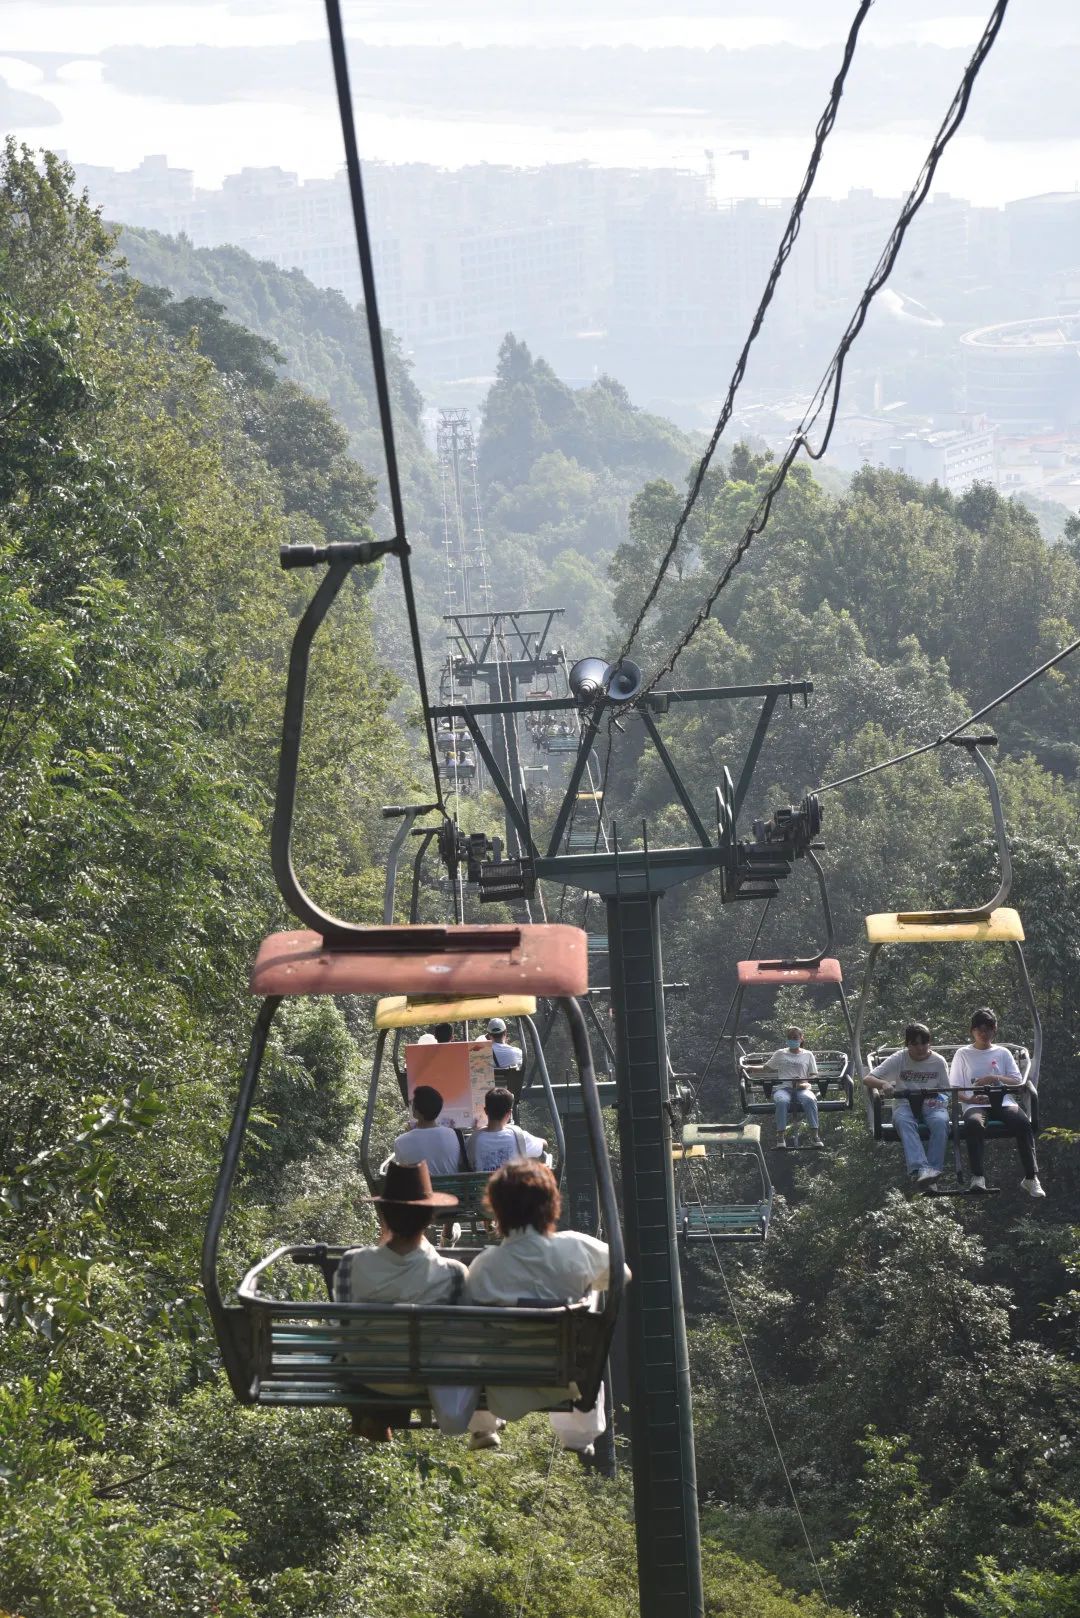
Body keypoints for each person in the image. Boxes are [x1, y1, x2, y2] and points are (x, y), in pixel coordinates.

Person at [464, 1158, 629, 1453]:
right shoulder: (577, 1247)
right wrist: (589, 1286)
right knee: (589, 1300)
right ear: (551, 1204)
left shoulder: (485, 1267)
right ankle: (578, 1435)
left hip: (505, 1388)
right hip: (565, 1380)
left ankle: (483, 1424)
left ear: (497, 1211)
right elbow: (623, 1275)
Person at [334, 1160, 466, 1443]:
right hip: (424, 1378)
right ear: (430, 1218)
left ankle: (377, 1416)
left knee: (362, 1350)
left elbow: (343, 1325)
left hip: (368, 1375)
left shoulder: (352, 1263)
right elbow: (456, 1336)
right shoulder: (453, 1274)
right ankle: (382, 1417)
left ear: (384, 1214)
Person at [949, 1008, 1044, 1197]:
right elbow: (954, 1088)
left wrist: (994, 1078)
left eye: (988, 1029)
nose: (984, 1034)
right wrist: (970, 1099)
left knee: (1023, 1124)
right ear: (972, 1031)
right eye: (980, 1030)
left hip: (1003, 1101)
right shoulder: (963, 1054)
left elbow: (1018, 1081)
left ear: (995, 1030)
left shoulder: (1003, 1053)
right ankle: (978, 1176)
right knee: (974, 1124)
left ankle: (1031, 1177)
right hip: (975, 1104)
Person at [864, 1023, 949, 1188]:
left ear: (929, 1043)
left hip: (932, 1103)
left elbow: (946, 1090)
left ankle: (933, 1172)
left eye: (923, 1043)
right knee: (904, 1122)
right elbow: (868, 1079)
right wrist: (883, 1084)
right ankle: (920, 1169)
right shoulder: (899, 1058)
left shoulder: (938, 1062)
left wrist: (938, 1099)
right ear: (907, 1044)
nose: (920, 1048)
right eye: (915, 1044)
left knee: (940, 1122)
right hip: (905, 1103)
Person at [761, 1027, 823, 1148]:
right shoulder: (780, 1053)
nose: (792, 1040)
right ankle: (780, 1137)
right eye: (790, 1038)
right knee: (781, 1101)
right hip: (784, 1088)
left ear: (801, 1038)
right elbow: (766, 1068)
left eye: (795, 1037)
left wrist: (803, 1082)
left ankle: (815, 1135)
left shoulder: (808, 1054)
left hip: (802, 1088)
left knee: (810, 1100)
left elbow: (813, 1074)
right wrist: (748, 1069)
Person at [466, 1086, 547, 1172]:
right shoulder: (519, 1136)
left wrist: (479, 1130)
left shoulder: (473, 1140)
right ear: (509, 1113)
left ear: (486, 1111)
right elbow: (544, 1145)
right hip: (511, 1185)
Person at [392, 1084, 466, 1177]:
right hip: (450, 1190)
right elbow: (459, 1163)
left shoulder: (400, 1142)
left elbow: (404, 1171)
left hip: (419, 1191)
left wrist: (410, 1134)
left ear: (416, 1110)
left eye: (412, 1104)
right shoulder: (453, 1134)